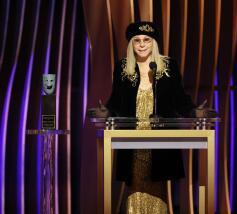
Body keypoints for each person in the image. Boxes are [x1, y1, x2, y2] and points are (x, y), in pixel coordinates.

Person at [89, 21, 215, 213]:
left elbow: (179, 99)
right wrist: (106, 112)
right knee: (136, 189)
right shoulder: (123, 67)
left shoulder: (167, 66)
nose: (141, 44)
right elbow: (115, 101)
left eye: (146, 40)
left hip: (160, 141)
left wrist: (194, 111)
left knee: (157, 189)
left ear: (153, 42)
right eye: (136, 40)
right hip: (132, 142)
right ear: (130, 44)